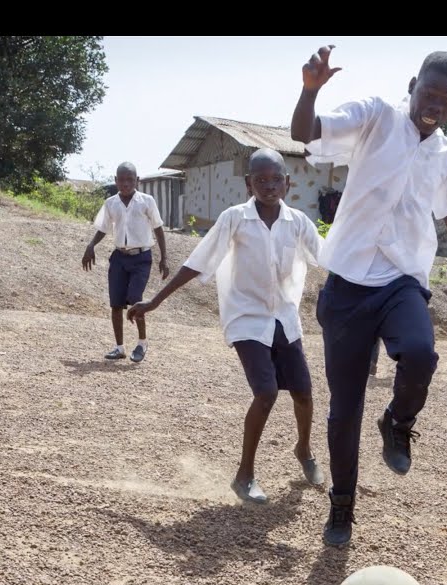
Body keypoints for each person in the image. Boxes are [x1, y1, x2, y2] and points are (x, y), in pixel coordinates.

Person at [290, 45, 447, 547]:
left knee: (420, 352)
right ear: (412, 85)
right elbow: (304, 133)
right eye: (428, 93)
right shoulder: (376, 117)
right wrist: (309, 91)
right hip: (349, 280)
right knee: (343, 409)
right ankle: (342, 506)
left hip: (402, 278)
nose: (434, 105)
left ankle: (397, 422)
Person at [128, 149, 325, 503]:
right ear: (248, 183)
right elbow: (198, 261)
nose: (269, 186)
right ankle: (244, 475)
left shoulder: (298, 222)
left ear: (288, 183)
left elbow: (329, 258)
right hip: (247, 317)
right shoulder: (235, 219)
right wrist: (155, 301)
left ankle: (304, 449)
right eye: (260, 180)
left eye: (276, 179)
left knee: (304, 394)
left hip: (284, 316)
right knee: (265, 392)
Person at [81, 163, 169, 363]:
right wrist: (91, 245)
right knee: (116, 303)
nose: (126, 183)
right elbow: (103, 228)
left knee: (136, 298)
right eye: (121, 179)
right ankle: (119, 347)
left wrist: (164, 257)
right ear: (115, 180)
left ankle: (141, 343)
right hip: (119, 257)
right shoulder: (111, 203)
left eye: (130, 179)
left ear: (137, 180)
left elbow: (158, 228)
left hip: (141, 258)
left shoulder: (147, 201)